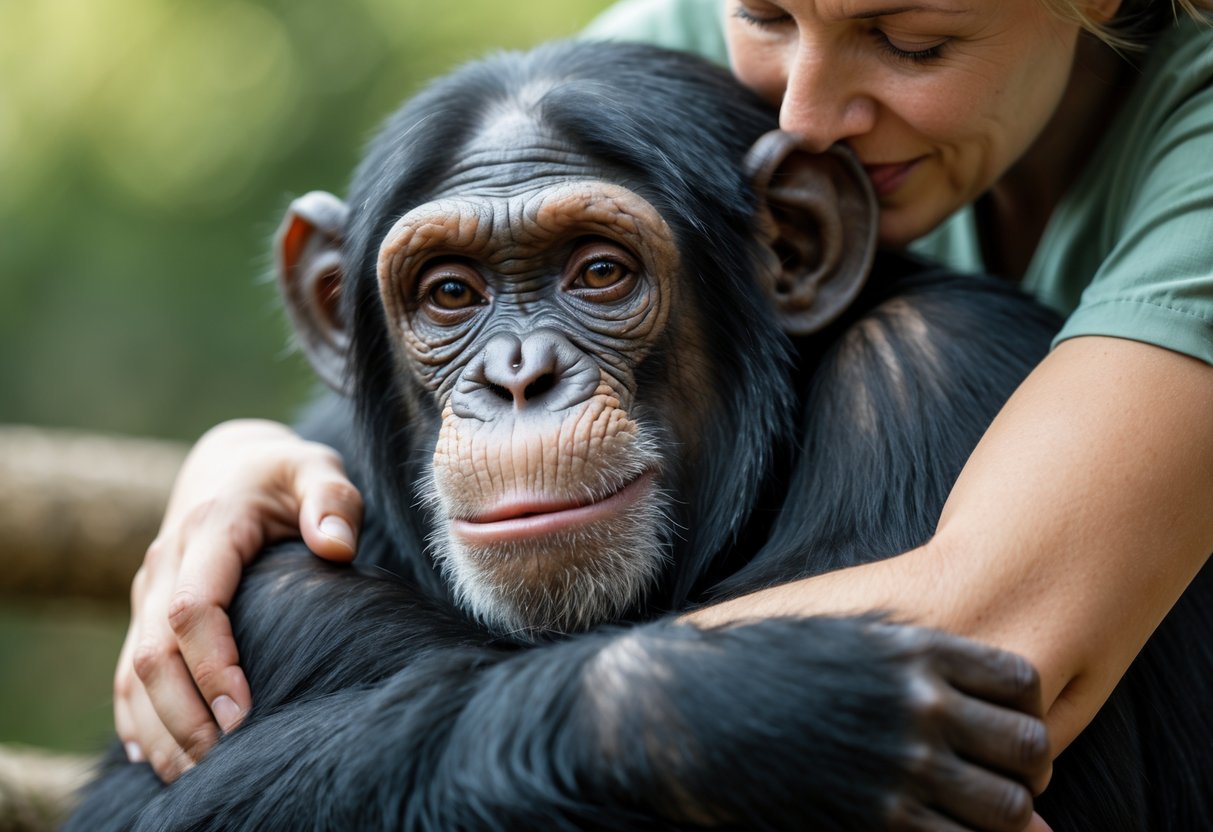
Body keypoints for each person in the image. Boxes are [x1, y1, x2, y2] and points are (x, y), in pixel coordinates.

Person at [114, 0, 1213, 824]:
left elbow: (987, 649)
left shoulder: (919, 378)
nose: (806, 112)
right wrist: (251, 452)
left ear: (798, 244)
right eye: (448, 294)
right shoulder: (704, 42)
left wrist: (596, 708)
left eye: (914, 41)